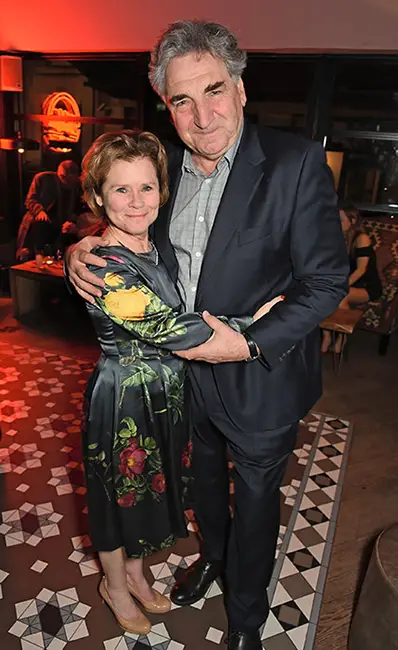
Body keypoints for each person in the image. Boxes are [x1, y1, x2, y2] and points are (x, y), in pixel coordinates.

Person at [66, 21, 349, 650]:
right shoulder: (159, 166)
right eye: (181, 100)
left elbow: (327, 281)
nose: (201, 114)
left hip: (260, 379)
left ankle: (246, 615)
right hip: (180, 379)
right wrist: (79, 250)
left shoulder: (294, 163)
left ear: (241, 88)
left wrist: (247, 341)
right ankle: (214, 560)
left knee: (254, 503)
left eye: (213, 90)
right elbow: (121, 220)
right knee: (203, 486)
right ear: (166, 107)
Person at [80, 128, 275, 636]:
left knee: (143, 496)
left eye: (147, 187)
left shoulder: (150, 245)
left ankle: (138, 580)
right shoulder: (104, 265)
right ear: (98, 196)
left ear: (161, 191)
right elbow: (170, 326)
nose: (137, 201)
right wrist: (256, 324)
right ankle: (115, 587)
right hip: (123, 398)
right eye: (121, 190)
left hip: (162, 396)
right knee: (114, 500)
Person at [321, 205, 382, 354]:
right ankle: (327, 335)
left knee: (341, 295)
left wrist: (340, 286)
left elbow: (361, 270)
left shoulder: (362, 238)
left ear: (352, 220)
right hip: (346, 282)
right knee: (320, 294)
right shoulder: (337, 237)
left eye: (340, 220)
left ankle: (342, 338)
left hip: (367, 286)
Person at [16, 160, 81, 260]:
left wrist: (72, 222)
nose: (70, 186)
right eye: (68, 182)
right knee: (29, 259)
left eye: (72, 182)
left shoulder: (76, 186)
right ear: (61, 176)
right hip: (36, 229)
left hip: (58, 232)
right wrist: (39, 211)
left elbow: (76, 209)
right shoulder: (42, 179)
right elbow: (30, 200)